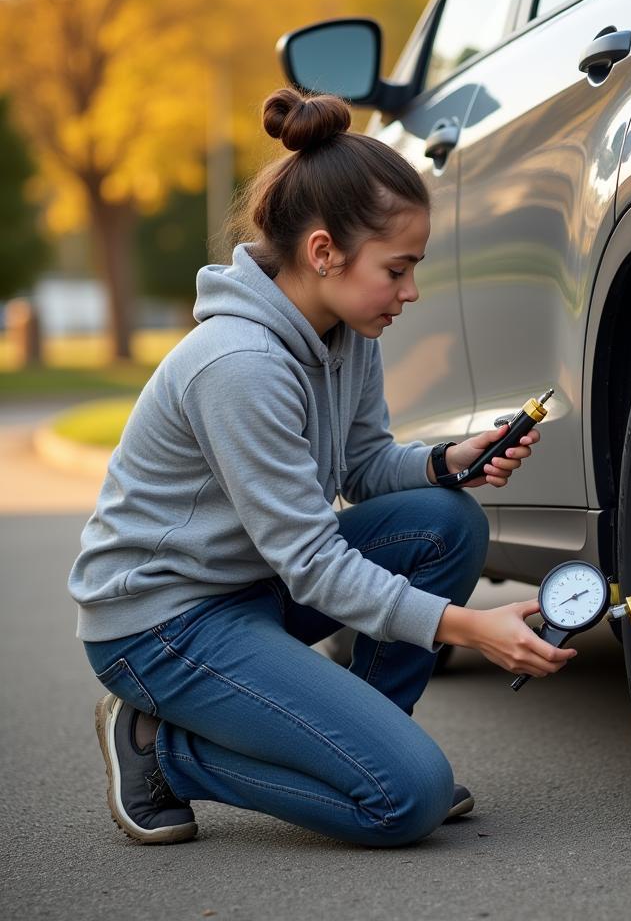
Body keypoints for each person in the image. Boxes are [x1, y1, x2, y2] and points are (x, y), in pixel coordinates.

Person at [68, 87, 576, 848]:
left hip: (251, 586)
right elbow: (312, 562)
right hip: (161, 624)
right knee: (407, 802)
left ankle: (364, 750)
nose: (411, 292)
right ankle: (160, 749)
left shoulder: (346, 332)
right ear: (322, 252)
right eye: (398, 269)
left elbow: (365, 467)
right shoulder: (238, 365)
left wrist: (446, 462)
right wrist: (471, 628)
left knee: (444, 521)